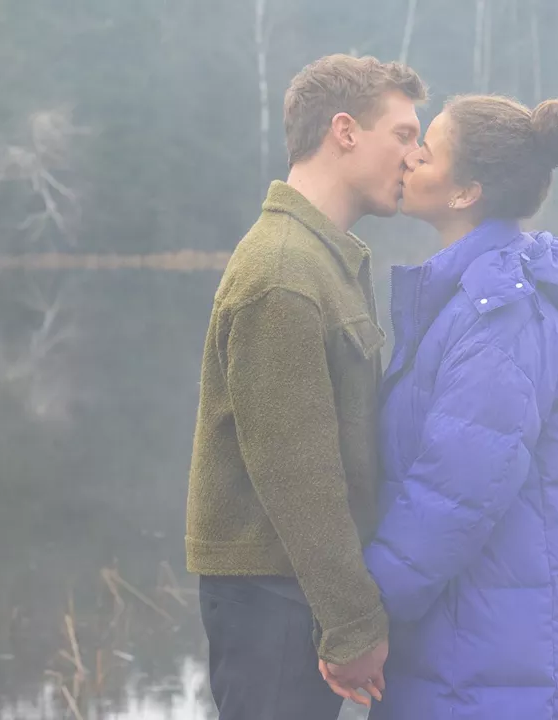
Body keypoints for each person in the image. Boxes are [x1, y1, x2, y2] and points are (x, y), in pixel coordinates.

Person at [322, 94, 558, 718]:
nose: (408, 159)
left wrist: (360, 619)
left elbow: (452, 496)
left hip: (503, 678)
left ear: (464, 194)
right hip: (475, 655)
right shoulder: (474, 300)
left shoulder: (500, 318)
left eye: (424, 152)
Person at [184, 54, 426, 719]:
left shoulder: (319, 258)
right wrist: (352, 625)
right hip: (273, 596)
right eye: (403, 135)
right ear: (345, 131)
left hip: (293, 593)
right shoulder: (284, 272)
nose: (416, 156)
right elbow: (301, 478)